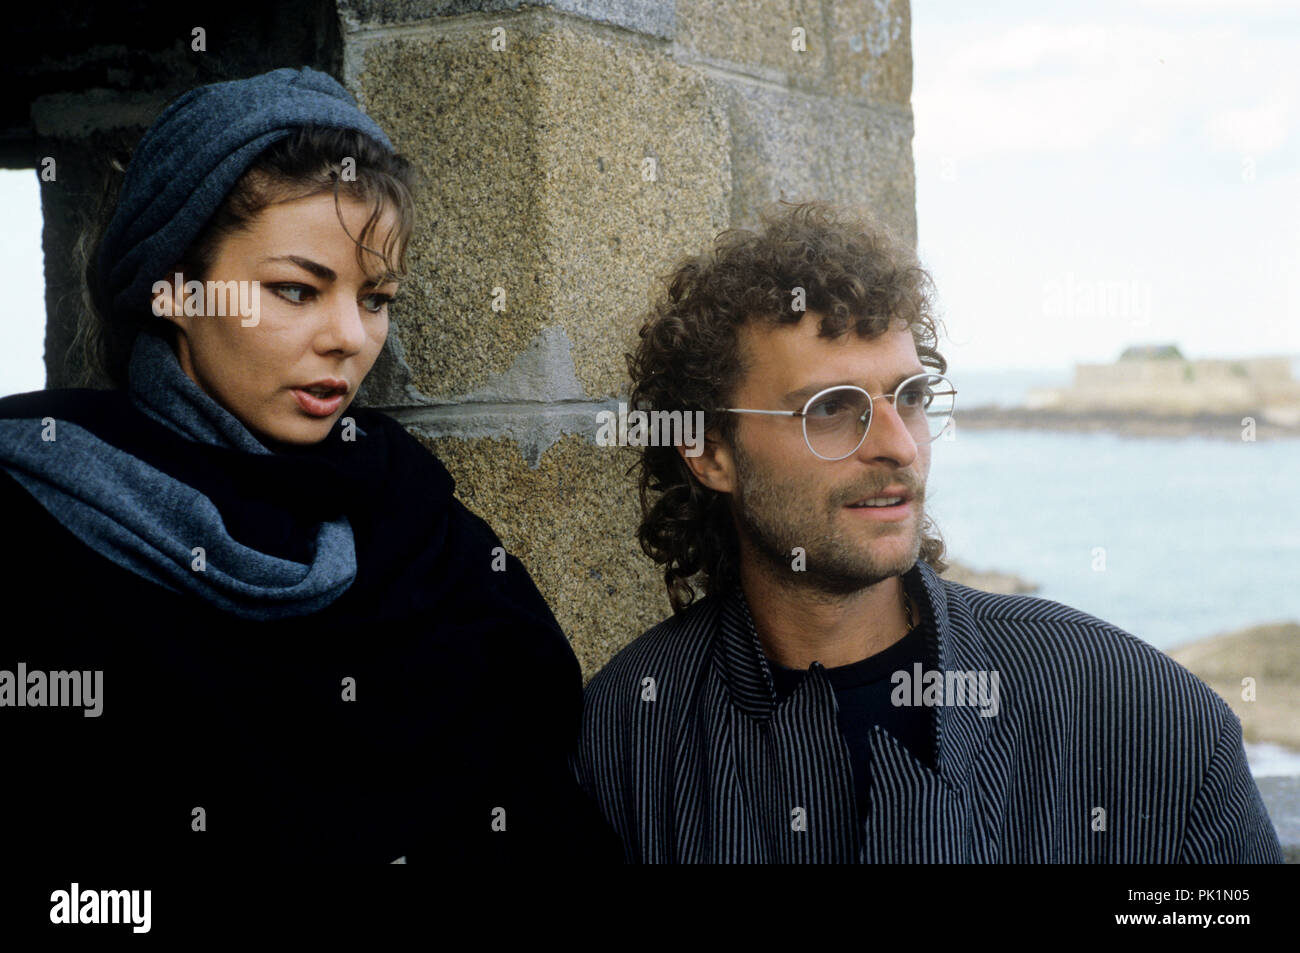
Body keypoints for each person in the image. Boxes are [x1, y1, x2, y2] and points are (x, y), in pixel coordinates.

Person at [0, 66, 619, 864]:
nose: (351, 338)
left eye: (376, 297)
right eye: (296, 290)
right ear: (174, 290)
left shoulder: (417, 519)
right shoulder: (37, 508)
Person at [572, 201, 1283, 863]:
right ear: (711, 451)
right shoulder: (628, 736)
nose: (899, 446)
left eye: (909, 397)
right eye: (830, 408)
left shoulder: (1139, 714)